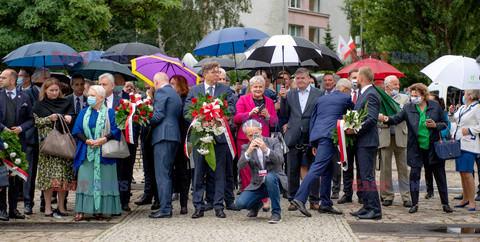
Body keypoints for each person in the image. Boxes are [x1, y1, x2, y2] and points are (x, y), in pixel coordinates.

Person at [381, 83, 453, 214]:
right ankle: (414, 203)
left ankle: (445, 203)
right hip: (416, 147)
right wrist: (385, 118)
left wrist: (435, 125)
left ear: (424, 96)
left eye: (416, 95)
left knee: (440, 175)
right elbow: (396, 119)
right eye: (412, 95)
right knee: (414, 175)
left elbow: (445, 123)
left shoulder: (435, 106)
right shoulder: (408, 107)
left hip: (433, 147)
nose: (413, 98)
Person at [292, 79, 354, 217]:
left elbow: (313, 120)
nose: (350, 93)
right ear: (344, 89)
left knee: (328, 169)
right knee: (317, 167)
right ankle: (299, 198)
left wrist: (313, 142)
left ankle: (325, 203)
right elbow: (354, 114)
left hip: (319, 135)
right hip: (330, 136)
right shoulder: (346, 97)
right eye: (350, 90)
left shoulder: (321, 99)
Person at [183, 61, 237, 219]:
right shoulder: (194, 90)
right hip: (200, 137)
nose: (218, 74)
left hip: (219, 137)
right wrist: (200, 119)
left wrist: (219, 118)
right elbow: (186, 112)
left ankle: (219, 206)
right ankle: (198, 206)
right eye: (214, 71)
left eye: (219, 71)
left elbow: (232, 108)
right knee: (199, 173)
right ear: (204, 74)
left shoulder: (225, 89)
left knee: (219, 173)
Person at [71, 85, 122, 221]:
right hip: (87, 151)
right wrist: (88, 141)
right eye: (89, 95)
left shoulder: (110, 112)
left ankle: (100, 210)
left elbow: (117, 130)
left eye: (93, 95)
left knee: (104, 181)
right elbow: (76, 130)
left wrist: (103, 139)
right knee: (85, 180)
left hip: (105, 153)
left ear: (101, 98)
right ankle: (81, 210)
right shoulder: (83, 112)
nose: (90, 97)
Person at [279, 68, 323, 211]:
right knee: (292, 169)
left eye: (302, 78)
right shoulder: (290, 94)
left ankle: (314, 199)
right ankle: (293, 199)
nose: (300, 81)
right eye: (297, 79)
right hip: (293, 135)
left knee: (313, 169)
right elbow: (285, 114)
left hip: (312, 134)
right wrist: (283, 99)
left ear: (308, 78)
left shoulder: (318, 93)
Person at [233, 75, 278, 211]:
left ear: (265, 88)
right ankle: (253, 202)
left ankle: (264, 199)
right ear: (250, 88)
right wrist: (249, 114)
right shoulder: (243, 99)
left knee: (263, 168)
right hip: (245, 139)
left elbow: (275, 122)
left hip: (263, 139)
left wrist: (268, 116)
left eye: (260, 86)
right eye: (255, 87)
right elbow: (236, 118)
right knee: (247, 171)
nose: (258, 89)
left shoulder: (269, 101)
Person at [33, 78, 76, 217]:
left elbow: (74, 117)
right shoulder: (39, 105)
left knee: (63, 177)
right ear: (45, 90)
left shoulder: (66, 102)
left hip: (63, 146)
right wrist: (48, 119)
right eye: (51, 90)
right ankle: (47, 207)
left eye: (56, 90)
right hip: (47, 146)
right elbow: (35, 122)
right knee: (48, 178)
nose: (54, 93)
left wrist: (69, 117)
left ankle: (61, 206)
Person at [234, 120, 286, 224]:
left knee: (269, 177)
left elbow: (281, 160)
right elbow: (240, 166)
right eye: (250, 136)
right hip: (258, 184)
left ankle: (276, 212)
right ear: (246, 135)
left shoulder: (273, 142)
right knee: (239, 204)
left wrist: (266, 150)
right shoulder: (245, 147)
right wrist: (248, 152)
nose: (253, 138)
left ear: (261, 131)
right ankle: (257, 205)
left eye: (256, 134)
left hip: (276, 181)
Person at [347, 67, 382, 220]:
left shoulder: (371, 94)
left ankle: (375, 209)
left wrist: (354, 130)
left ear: (361, 78)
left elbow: (372, 119)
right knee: (362, 175)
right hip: (362, 141)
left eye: (357, 77)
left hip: (367, 141)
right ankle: (367, 205)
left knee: (367, 176)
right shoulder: (364, 93)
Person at [0, 69, 34, 220]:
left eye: (3, 77)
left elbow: (31, 119)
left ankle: (13, 208)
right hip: (1, 141)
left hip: (18, 142)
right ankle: (2, 209)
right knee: (1, 176)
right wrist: (4, 129)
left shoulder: (24, 97)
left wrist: (20, 128)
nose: (0, 79)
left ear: (12, 81)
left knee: (15, 176)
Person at [148, 73, 183, 218]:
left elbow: (157, 116)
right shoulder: (174, 93)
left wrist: (141, 117)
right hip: (173, 136)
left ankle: (165, 208)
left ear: (156, 82)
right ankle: (166, 206)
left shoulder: (161, 92)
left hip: (163, 136)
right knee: (167, 172)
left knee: (162, 174)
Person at [378, 75, 411, 207]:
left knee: (403, 169)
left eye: (398, 84)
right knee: (385, 169)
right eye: (395, 85)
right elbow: (375, 117)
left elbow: (406, 115)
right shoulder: (380, 99)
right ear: (387, 86)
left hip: (400, 136)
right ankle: (387, 195)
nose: (397, 87)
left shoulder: (404, 98)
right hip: (385, 135)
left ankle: (406, 196)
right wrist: (383, 119)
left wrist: (389, 117)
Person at [448, 89, 480, 211]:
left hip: (470, 143)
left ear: (470, 96)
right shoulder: (462, 108)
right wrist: (451, 113)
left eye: (465, 93)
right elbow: (455, 121)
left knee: (467, 173)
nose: (463, 95)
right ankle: (465, 198)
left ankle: (472, 201)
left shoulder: (477, 108)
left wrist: (470, 130)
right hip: (459, 141)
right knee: (462, 172)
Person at [338, 68, 363, 205]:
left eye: (357, 77)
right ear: (348, 79)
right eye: (353, 77)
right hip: (345, 134)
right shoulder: (345, 94)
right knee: (346, 165)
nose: (355, 80)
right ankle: (347, 193)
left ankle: (361, 194)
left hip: (360, 134)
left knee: (361, 166)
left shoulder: (363, 93)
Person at [169, 75, 191, 214]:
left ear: (180, 85)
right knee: (169, 171)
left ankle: (184, 203)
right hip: (170, 139)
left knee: (183, 172)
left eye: (173, 84)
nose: (170, 86)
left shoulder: (186, 100)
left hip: (183, 140)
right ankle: (168, 201)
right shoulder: (168, 98)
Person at [135, 85, 159, 210]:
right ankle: (148, 193)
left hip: (155, 137)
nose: (146, 89)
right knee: (147, 168)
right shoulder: (145, 100)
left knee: (156, 169)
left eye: (148, 87)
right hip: (145, 137)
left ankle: (157, 197)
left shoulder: (158, 101)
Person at [321, 73, 341, 199]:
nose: (328, 82)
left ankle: (336, 189)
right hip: (323, 134)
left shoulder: (339, 96)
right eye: (325, 81)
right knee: (324, 165)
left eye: (330, 80)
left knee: (336, 164)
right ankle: (324, 190)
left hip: (336, 133)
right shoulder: (320, 95)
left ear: (334, 82)